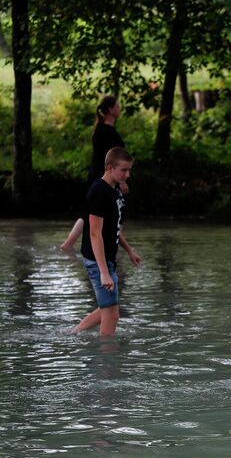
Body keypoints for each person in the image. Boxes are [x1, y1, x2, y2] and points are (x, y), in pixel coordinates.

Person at [73, 147, 141, 336]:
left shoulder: (115, 191)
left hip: (107, 258)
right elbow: (95, 234)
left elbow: (113, 229)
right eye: (124, 170)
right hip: (97, 260)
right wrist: (104, 273)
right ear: (110, 168)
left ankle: (72, 335)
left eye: (129, 170)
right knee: (112, 316)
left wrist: (129, 250)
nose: (128, 175)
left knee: (108, 310)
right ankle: (106, 362)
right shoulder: (99, 192)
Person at [61, 96, 127, 251]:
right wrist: (122, 180)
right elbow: (112, 161)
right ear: (111, 110)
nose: (120, 108)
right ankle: (112, 247)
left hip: (99, 176)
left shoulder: (101, 129)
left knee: (91, 212)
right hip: (104, 178)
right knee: (116, 211)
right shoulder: (106, 132)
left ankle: (68, 244)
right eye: (118, 105)